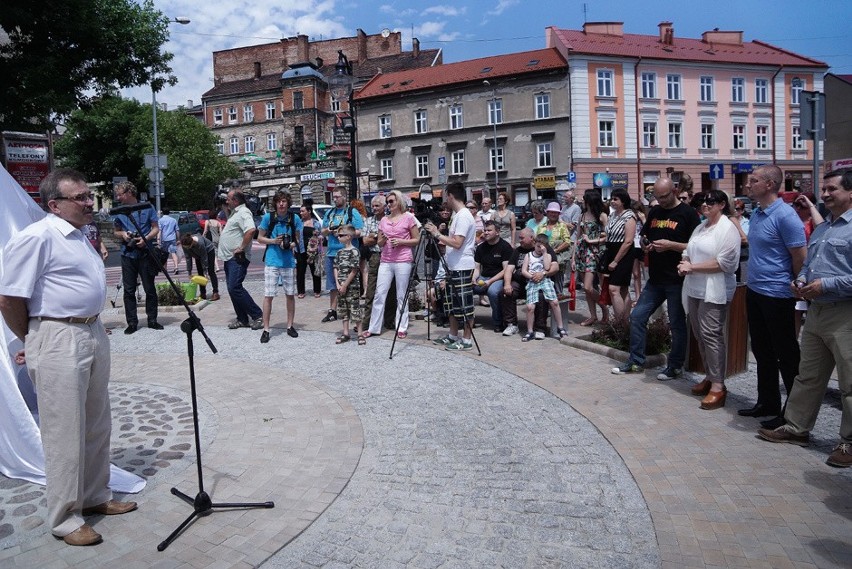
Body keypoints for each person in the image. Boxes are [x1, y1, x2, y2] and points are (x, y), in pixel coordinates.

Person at [0, 169, 137, 547]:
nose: (89, 202)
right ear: (54, 204)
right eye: (80, 198)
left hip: (91, 331)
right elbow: (10, 298)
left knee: (96, 422)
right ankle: (65, 517)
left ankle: (96, 496)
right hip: (58, 334)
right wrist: (35, 338)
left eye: (89, 196)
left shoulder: (77, 236)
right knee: (64, 432)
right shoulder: (36, 238)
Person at [756, 169, 852, 468]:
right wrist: (801, 280)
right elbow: (809, 265)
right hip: (817, 311)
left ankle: (848, 443)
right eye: (823, 189)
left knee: (850, 383)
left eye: (831, 189)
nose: (824, 195)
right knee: (808, 376)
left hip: (844, 313)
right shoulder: (824, 229)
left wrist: (826, 285)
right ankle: (796, 428)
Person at [738, 165, 807, 427]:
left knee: (786, 352)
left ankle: (794, 412)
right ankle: (767, 402)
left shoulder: (785, 216)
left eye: (753, 180)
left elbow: (800, 256)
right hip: (756, 290)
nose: (748, 184)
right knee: (762, 349)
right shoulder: (757, 213)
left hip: (778, 294)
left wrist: (797, 286)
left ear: (769, 184)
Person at [611, 177, 700, 378]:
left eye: (664, 196)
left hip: (677, 278)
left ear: (674, 191)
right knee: (638, 316)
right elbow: (645, 234)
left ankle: (675, 365)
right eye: (657, 197)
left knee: (677, 323)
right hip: (656, 277)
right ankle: (636, 361)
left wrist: (671, 245)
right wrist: (645, 244)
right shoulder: (656, 211)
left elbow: (696, 246)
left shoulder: (688, 214)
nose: (661, 201)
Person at [677, 190, 741, 410]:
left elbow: (725, 263)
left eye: (710, 201)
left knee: (711, 335)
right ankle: (709, 375)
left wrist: (692, 266)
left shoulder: (727, 228)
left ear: (722, 204)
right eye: (702, 201)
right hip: (695, 287)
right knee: (700, 335)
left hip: (715, 289)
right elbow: (689, 247)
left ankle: (718, 385)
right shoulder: (701, 226)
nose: (704, 205)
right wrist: (684, 260)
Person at [425, 182, 477, 351]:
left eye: (446, 196)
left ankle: (467, 340)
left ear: (451, 196)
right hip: (453, 265)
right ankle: (453, 335)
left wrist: (437, 233)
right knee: (451, 303)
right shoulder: (457, 215)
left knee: (465, 304)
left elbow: (457, 242)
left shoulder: (463, 216)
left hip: (462, 265)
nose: (445, 199)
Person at [366, 190, 419, 339]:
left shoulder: (409, 218)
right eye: (388, 202)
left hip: (403, 259)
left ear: (399, 202)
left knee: (401, 295)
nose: (389, 204)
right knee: (379, 294)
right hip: (386, 259)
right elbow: (380, 243)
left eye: (391, 201)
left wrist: (401, 241)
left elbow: (417, 239)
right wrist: (381, 240)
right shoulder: (384, 220)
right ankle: (374, 327)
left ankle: (401, 326)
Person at [112, 180, 162, 335]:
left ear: (128, 193)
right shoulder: (119, 211)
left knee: (149, 288)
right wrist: (124, 235)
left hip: (145, 252)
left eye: (119, 194)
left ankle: (152, 320)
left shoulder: (147, 207)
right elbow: (116, 231)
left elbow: (156, 228)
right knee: (129, 290)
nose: (117, 198)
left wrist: (145, 238)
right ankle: (132, 322)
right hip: (127, 253)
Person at [257, 190, 302, 343]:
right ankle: (266, 329)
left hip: (288, 261)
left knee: (290, 294)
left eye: (284, 201)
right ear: (275, 203)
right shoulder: (268, 218)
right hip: (272, 260)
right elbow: (260, 238)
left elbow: (298, 240)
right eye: (279, 201)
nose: (282, 204)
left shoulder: (294, 218)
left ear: (288, 203)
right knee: (268, 295)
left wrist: (291, 244)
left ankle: (290, 326)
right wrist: (274, 241)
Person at [500, 227, 559, 338]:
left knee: (542, 296)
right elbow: (509, 269)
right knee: (505, 291)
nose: (519, 240)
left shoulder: (544, 248)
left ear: (532, 238)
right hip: (521, 283)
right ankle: (511, 324)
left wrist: (543, 274)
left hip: (539, 283)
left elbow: (555, 267)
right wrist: (507, 284)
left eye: (522, 238)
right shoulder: (518, 251)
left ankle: (540, 328)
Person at [219, 189, 264, 330]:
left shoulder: (244, 212)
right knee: (232, 289)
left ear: (236, 201)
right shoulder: (235, 213)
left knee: (235, 287)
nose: (226, 201)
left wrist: (242, 247)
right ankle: (242, 319)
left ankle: (257, 315)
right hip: (229, 257)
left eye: (229, 199)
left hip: (237, 258)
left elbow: (251, 230)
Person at [321, 190, 364, 323]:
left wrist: (344, 232)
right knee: (333, 284)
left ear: (345, 197)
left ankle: (352, 310)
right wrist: (328, 231)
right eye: (333, 197)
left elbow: (360, 231)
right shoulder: (330, 213)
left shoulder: (352, 212)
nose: (335, 199)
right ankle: (332, 310)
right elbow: (322, 231)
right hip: (332, 253)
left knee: (351, 283)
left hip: (348, 252)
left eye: (338, 197)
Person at [521, 234, 568, 340]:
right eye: (538, 246)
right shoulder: (528, 255)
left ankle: (560, 328)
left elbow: (547, 267)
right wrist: (532, 277)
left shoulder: (548, 255)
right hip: (532, 280)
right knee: (530, 307)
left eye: (542, 247)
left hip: (545, 280)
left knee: (554, 302)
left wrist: (545, 253)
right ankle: (530, 331)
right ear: (534, 244)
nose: (539, 249)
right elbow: (524, 270)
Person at [600, 189, 636, 323]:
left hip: (623, 253)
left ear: (623, 201)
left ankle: (620, 322)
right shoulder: (613, 215)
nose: (612, 201)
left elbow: (628, 240)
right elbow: (609, 234)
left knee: (613, 289)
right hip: (611, 249)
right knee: (623, 289)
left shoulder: (629, 216)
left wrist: (616, 260)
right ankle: (625, 322)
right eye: (612, 199)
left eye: (616, 199)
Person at [574, 189, 609, 326]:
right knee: (585, 287)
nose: (582, 201)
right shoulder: (582, 216)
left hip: (595, 252)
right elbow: (577, 237)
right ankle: (593, 315)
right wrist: (573, 257)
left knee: (588, 287)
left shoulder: (602, 216)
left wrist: (592, 241)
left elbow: (608, 236)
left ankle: (604, 307)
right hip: (582, 252)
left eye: (584, 199)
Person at [472, 220, 513, 332]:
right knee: (466, 288)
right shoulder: (481, 247)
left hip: (498, 278)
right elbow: (477, 268)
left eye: (489, 230)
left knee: (493, 292)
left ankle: (498, 322)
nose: (486, 232)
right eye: (485, 230)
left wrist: (490, 282)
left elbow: (506, 270)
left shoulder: (505, 247)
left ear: (497, 232)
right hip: (483, 277)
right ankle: (469, 320)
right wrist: (474, 278)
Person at [333, 225, 363, 344]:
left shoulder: (354, 251)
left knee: (355, 309)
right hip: (340, 285)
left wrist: (345, 285)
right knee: (343, 309)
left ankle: (360, 333)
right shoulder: (339, 252)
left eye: (341, 235)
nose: (338, 237)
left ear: (349, 237)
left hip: (352, 286)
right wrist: (338, 283)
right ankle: (346, 333)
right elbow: (335, 267)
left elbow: (354, 270)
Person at [535, 201, 573, 293]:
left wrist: (555, 250)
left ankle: (558, 302)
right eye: (551, 212)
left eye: (555, 212)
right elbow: (537, 240)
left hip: (558, 259)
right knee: (544, 283)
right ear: (547, 213)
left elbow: (567, 241)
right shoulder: (541, 226)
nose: (553, 214)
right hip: (542, 259)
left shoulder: (562, 226)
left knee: (557, 282)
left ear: (558, 214)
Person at [180, 233, 220, 301]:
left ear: (192, 243)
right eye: (185, 247)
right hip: (197, 255)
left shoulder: (200, 243)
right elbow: (188, 258)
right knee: (200, 273)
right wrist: (189, 272)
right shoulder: (185, 244)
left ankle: (215, 292)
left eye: (187, 247)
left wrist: (205, 271)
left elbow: (204, 257)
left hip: (208, 251)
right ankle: (203, 293)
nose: (186, 248)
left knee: (211, 271)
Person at [296, 203, 322, 298]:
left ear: (309, 211)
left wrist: (319, 237)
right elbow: (295, 236)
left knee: (315, 271)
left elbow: (320, 235)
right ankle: (301, 291)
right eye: (300, 211)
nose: (301, 213)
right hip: (301, 249)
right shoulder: (298, 222)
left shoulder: (316, 223)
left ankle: (317, 290)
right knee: (300, 272)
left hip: (313, 250)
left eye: (303, 211)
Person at [630, 200, 648, 300]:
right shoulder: (631, 220)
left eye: (637, 211)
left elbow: (648, 233)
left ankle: (647, 296)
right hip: (633, 247)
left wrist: (644, 220)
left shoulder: (645, 220)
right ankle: (638, 297)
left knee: (646, 273)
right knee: (636, 274)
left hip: (642, 247)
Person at [158, 208, 180, 273]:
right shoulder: (173, 220)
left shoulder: (160, 220)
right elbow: (177, 230)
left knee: (164, 254)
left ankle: (165, 268)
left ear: (162, 212)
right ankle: (176, 267)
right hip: (172, 238)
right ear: (169, 212)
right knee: (173, 253)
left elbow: (160, 230)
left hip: (164, 239)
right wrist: (178, 239)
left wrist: (158, 239)